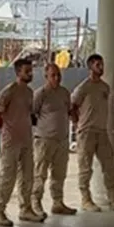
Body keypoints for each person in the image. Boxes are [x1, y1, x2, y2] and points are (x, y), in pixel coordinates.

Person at [70, 54, 114, 212]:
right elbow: (72, 105)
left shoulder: (105, 87)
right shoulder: (84, 87)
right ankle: (86, 199)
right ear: (90, 68)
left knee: (109, 166)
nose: (101, 68)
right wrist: (77, 124)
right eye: (97, 65)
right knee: (85, 167)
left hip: (102, 131)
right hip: (87, 131)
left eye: (102, 64)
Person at [0, 57, 44, 227]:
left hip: (26, 139)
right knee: (8, 176)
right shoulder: (9, 91)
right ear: (18, 72)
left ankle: (26, 208)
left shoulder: (29, 92)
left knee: (28, 175)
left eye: (31, 70)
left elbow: (29, 114)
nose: (30, 73)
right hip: (11, 140)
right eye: (27, 71)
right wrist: (6, 130)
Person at [31, 62, 76, 218]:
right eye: (53, 75)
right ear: (46, 77)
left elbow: (69, 111)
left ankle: (58, 202)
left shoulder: (64, 93)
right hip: (44, 139)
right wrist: (43, 128)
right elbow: (32, 114)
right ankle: (35, 202)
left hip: (62, 139)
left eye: (58, 75)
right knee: (40, 173)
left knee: (59, 173)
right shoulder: (40, 94)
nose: (57, 78)